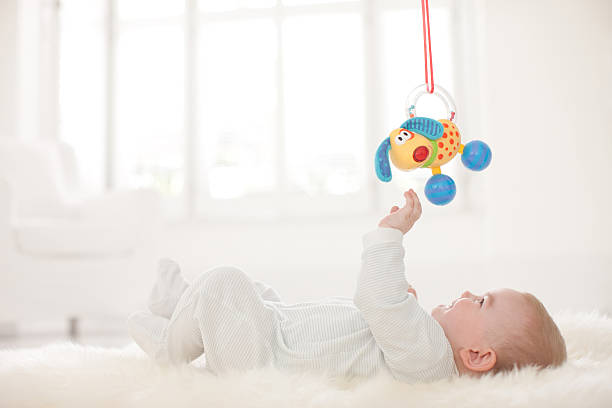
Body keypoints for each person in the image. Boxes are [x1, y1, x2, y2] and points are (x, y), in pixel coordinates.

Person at [128, 189, 566, 383]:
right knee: (257, 295)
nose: (470, 292)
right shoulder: (425, 347)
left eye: (483, 301)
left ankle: (171, 345)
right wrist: (402, 309)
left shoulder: (433, 358)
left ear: (478, 355)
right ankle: (182, 304)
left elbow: (376, 299)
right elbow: (384, 314)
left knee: (227, 283)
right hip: (276, 334)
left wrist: (391, 235)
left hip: (264, 363)